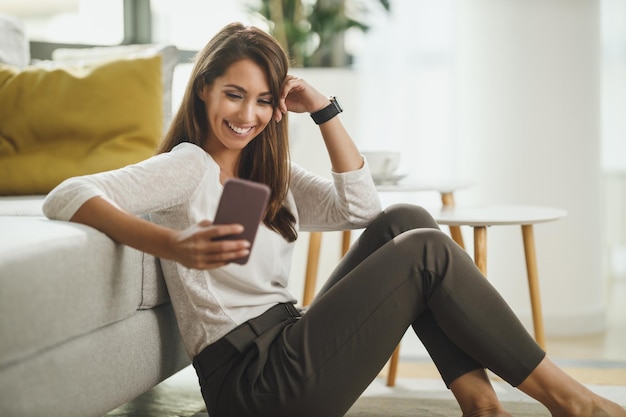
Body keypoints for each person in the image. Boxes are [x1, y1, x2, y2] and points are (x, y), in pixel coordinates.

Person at [43, 22, 625, 417]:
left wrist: (325, 113)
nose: (247, 114)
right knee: (427, 253)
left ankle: (482, 405)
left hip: (288, 341)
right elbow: (69, 193)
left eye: (264, 100)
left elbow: (362, 210)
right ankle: (572, 401)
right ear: (202, 93)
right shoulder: (188, 165)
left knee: (406, 219)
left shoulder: (264, 175)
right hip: (254, 384)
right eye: (233, 95)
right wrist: (175, 246)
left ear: (278, 109)